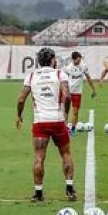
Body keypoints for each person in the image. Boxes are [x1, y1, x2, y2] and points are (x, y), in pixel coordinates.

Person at [18, 47, 76, 202]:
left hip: (40, 122)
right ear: (52, 60)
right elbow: (68, 96)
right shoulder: (59, 73)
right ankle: (69, 189)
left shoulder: (31, 76)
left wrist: (19, 115)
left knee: (39, 157)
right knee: (66, 154)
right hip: (57, 120)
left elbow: (21, 99)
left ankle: (38, 193)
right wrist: (65, 113)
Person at [62, 51, 97, 131]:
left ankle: (73, 130)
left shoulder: (83, 66)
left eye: (80, 59)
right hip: (68, 93)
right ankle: (65, 127)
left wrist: (93, 89)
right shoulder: (68, 68)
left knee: (75, 112)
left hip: (77, 93)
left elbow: (88, 77)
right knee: (66, 111)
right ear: (73, 60)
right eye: (77, 60)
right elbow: (63, 81)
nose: (79, 61)